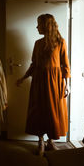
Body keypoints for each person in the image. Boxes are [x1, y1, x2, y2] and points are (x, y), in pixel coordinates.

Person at [16, 14, 71, 156]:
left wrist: (67, 84)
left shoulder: (61, 42)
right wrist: (23, 77)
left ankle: (50, 141)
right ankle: (40, 141)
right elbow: (34, 64)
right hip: (39, 82)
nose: (36, 27)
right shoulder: (37, 43)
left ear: (46, 25)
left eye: (39, 24)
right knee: (38, 110)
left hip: (55, 82)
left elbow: (65, 65)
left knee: (53, 112)